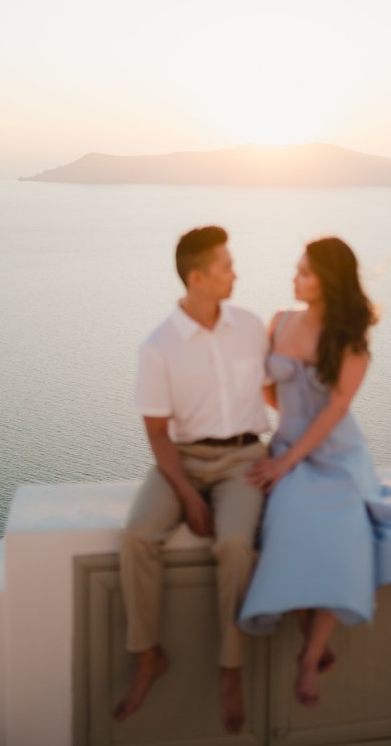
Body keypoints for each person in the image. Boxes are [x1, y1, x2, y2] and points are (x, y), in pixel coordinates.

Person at [239, 236, 391, 707]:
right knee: (286, 525)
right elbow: (270, 393)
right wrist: (278, 441)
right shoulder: (280, 320)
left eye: (306, 272)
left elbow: (334, 411)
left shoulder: (351, 342)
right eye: (296, 268)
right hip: (288, 447)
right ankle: (316, 639)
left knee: (340, 534)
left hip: (334, 456)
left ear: (329, 281)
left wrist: (286, 462)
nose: (295, 277)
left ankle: (309, 659)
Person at [114, 226, 270, 734]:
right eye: (226, 266)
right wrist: (186, 494)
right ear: (197, 277)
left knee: (233, 544)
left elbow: (275, 392)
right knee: (137, 533)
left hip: (243, 459)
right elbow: (156, 433)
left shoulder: (250, 326)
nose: (236, 273)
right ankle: (147, 656)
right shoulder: (157, 346)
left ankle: (230, 670)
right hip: (180, 459)